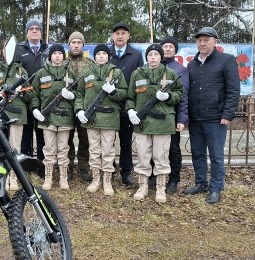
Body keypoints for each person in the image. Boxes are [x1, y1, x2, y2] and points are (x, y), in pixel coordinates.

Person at [182, 27, 240, 204]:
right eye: (199, 40)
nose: (202, 43)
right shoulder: (192, 64)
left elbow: (233, 90)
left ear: (215, 41)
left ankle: (215, 188)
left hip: (216, 118)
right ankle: (201, 183)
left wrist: (227, 113)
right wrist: (186, 116)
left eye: (206, 40)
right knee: (197, 154)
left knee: (216, 155)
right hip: (196, 118)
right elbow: (188, 91)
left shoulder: (226, 60)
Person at [126, 43, 183, 203]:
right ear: (146, 57)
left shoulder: (170, 73)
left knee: (161, 157)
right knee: (143, 156)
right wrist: (130, 110)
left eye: (156, 55)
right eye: (150, 55)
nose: (153, 58)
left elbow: (179, 94)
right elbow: (130, 97)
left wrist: (169, 96)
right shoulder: (137, 74)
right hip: (142, 123)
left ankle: (160, 189)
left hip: (163, 123)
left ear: (161, 57)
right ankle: (143, 187)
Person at [74, 44, 127, 196]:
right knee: (94, 150)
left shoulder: (116, 72)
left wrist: (114, 91)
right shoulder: (87, 73)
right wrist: (79, 110)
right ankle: (96, 179)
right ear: (95, 56)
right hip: (91, 118)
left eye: (104, 53)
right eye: (98, 54)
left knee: (108, 150)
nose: (101, 56)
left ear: (108, 56)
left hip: (109, 118)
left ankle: (107, 181)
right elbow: (79, 94)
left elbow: (124, 93)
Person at [30, 44, 76, 190]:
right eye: (54, 53)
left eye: (60, 53)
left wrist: (72, 96)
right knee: (49, 149)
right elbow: (34, 94)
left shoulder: (70, 73)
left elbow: (79, 93)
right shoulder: (41, 73)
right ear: (50, 56)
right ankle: (48, 178)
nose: (57, 56)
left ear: (64, 56)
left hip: (65, 117)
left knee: (63, 149)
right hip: (47, 118)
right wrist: (35, 109)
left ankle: (63, 178)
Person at [148, 36, 190, 194]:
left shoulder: (179, 70)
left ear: (175, 50)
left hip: (170, 117)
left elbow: (183, 96)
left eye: (170, 46)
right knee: (152, 148)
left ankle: (173, 179)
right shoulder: (150, 68)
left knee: (172, 149)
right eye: (164, 46)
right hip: (152, 116)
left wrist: (182, 119)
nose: (167, 49)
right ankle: (153, 177)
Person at [0, 45, 33, 191]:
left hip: (17, 114)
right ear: (2, 51)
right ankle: (0, 178)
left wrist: (22, 92)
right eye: (6, 48)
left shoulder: (21, 71)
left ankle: (13, 177)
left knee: (15, 148)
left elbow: (30, 95)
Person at [109, 21, 144, 186]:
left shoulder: (136, 55)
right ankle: (108, 169)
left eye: (123, 33)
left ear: (129, 36)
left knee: (125, 141)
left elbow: (140, 79)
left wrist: (134, 104)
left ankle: (126, 171)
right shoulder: (106, 53)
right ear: (112, 36)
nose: (120, 36)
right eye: (117, 33)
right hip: (108, 105)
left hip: (127, 105)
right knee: (107, 141)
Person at [15, 20, 48, 169]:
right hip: (24, 98)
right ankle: (27, 168)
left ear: (41, 32)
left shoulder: (48, 50)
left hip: (43, 99)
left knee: (42, 135)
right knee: (25, 135)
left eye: (37, 29)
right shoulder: (19, 50)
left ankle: (41, 167)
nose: (34, 31)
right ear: (27, 32)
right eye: (31, 29)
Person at [65, 31, 93, 182]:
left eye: (79, 42)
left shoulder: (90, 64)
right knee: (67, 139)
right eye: (73, 42)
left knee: (85, 138)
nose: (76, 45)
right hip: (66, 107)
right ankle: (68, 167)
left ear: (83, 45)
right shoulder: (62, 62)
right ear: (69, 44)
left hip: (84, 107)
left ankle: (83, 167)